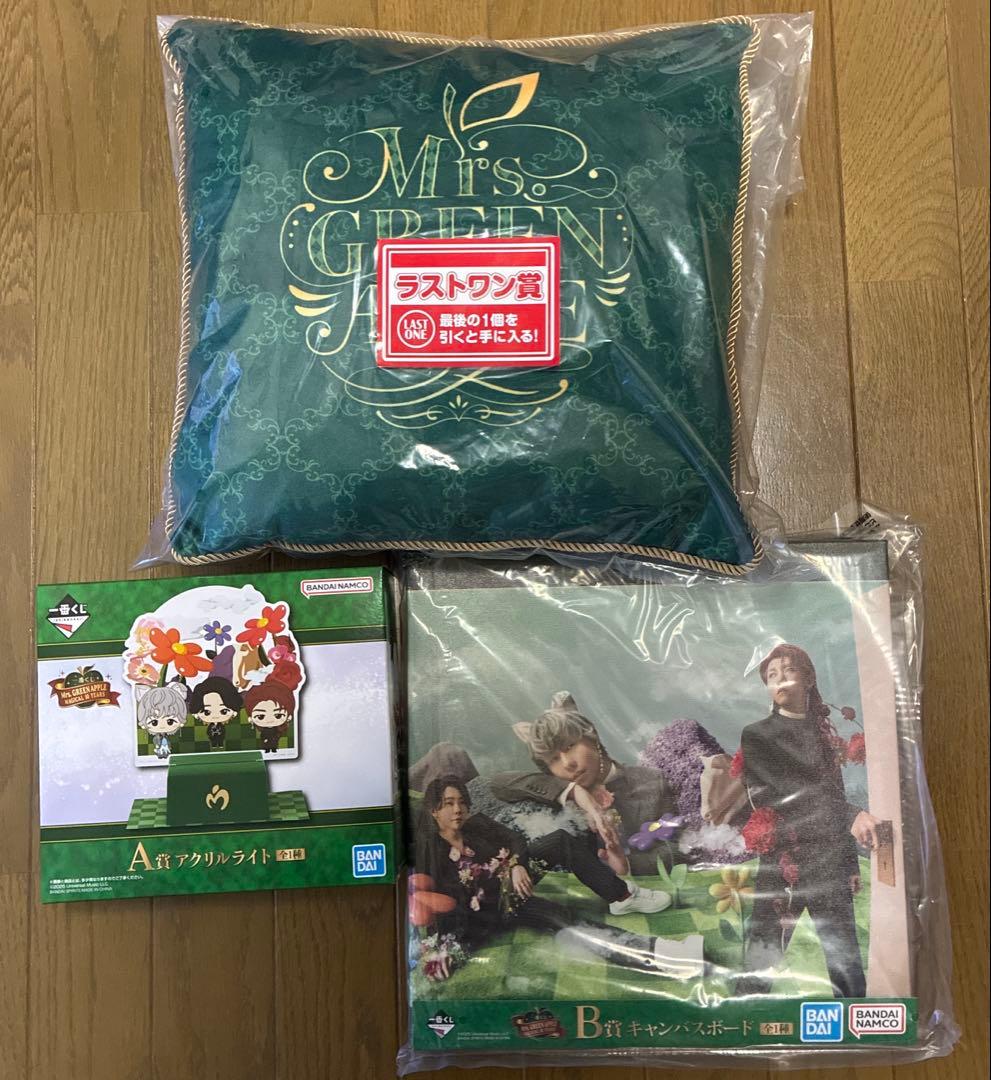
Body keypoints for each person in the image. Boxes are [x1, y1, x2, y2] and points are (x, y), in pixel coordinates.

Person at [414, 777, 703, 981]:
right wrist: (445, 950)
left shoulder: (477, 825)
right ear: (434, 810)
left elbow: (514, 840)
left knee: (559, 841)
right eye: (448, 803)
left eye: (461, 802)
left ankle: (621, 896)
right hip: (497, 908)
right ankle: (667, 957)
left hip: (515, 879)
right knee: (566, 919)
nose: (457, 809)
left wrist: (516, 865)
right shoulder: (432, 853)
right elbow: (445, 906)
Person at [737, 644, 880, 999]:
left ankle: (851, 1024)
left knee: (845, 962)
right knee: (761, 960)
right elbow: (781, 795)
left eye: (788, 670)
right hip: (782, 863)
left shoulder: (824, 735)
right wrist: (850, 814)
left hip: (829, 864)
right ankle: (741, 1022)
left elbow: (835, 792)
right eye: (772, 675)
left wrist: (850, 864)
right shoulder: (757, 734)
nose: (779, 680)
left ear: (809, 678)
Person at [490, 692, 680, 880]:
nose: (567, 764)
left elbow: (678, 848)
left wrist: (628, 866)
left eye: (569, 746)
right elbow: (499, 784)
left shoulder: (649, 781)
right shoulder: (559, 793)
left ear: (592, 738)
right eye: (554, 759)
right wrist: (571, 790)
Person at [187, 676, 243, 750]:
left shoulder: (221, 726)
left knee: (220, 741)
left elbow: (223, 732)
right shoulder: (211, 726)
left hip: (220, 736)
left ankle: (220, 745)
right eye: (206, 712)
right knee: (214, 741)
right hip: (212, 736)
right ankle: (214, 745)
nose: (215, 716)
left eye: (224, 711)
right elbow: (208, 732)